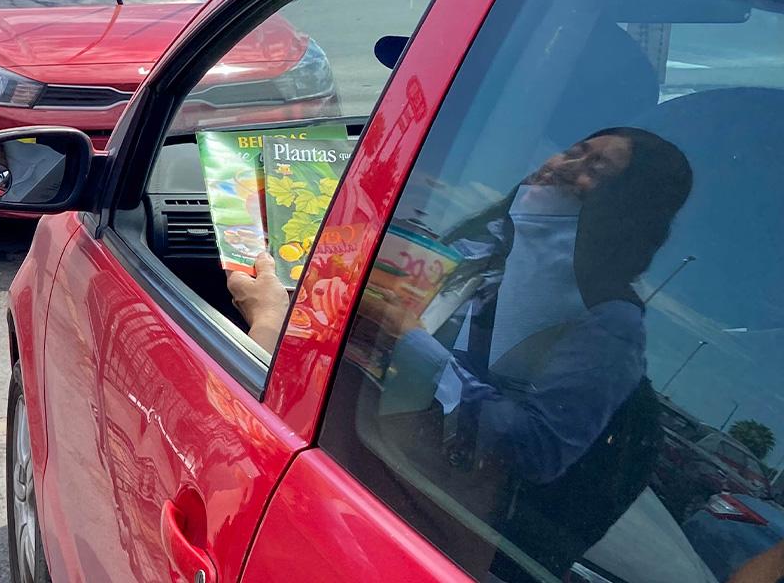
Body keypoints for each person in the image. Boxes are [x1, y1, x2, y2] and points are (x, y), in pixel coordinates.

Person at [233, 127, 694, 577]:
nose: (566, 166)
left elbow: (538, 449)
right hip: (327, 456)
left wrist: (408, 342)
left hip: (403, 516)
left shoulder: (609, 320)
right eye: (574, 150)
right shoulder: (482, 248)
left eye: (598, 168)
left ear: (629, 211)